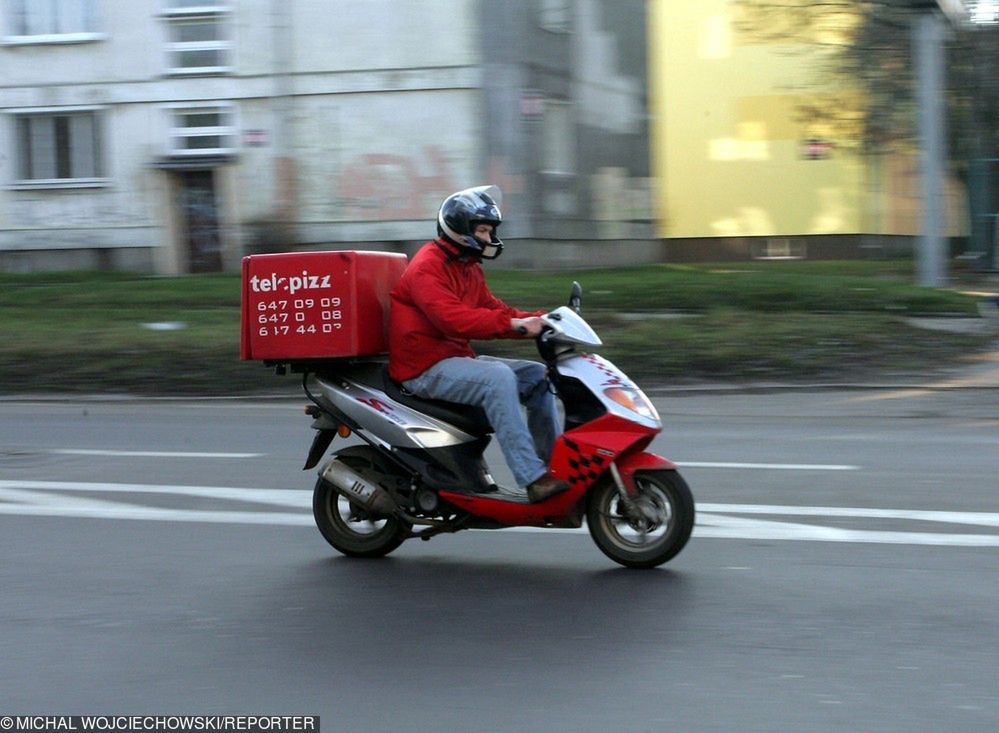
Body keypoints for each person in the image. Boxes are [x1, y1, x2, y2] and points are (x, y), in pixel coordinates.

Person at [388, 185, 569, 503]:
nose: (489, 238)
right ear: (459, 229)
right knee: (499, 378)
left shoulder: (467, 267)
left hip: (454, 358)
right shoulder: (427, 267)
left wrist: (545, 320)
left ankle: (552, 469)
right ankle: (532, 479)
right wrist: (515, 325)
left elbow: (495, 311)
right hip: (423, 368)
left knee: (538, 376)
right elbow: (453, 320)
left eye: (489, 230)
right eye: (482, 230)